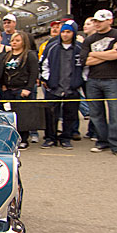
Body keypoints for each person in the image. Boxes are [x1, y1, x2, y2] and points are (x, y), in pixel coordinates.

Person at [83, 9, 117, 158]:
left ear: (110, 21)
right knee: (96, 114)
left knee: (115, 113)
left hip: (112, 79)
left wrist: (95, 54)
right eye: (95, 21)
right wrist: (109, 53)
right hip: (93, 80)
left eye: (100, 21)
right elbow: (86, 60)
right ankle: (102, 141)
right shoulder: (89, 39)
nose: (97, 24)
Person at [40, 20, 83, 149]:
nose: (65, 34)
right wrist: (47, 80)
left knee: (70, 114)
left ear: (74, 33)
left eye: (68, 32)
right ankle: (50, 137)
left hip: (71, 87)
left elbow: (84, 67)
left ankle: (66, 138)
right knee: (51, 114)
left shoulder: (79, 49)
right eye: (63, 32)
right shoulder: (52, 47)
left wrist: (78, 82)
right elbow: (44, 64)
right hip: (54, 87)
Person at [1, 32, 39, 150]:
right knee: (8, 116)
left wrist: (28, 88)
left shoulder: (29, 55)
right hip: (8, 90)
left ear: (23, 42)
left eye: (17, 40)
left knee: (22, 116)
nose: (14, 43)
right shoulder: (7, 55)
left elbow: (34, 73)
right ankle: (11, 138)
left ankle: (23, 138)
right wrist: (3, 84)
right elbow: (2, 71)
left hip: (22, 90)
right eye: (12, 41)